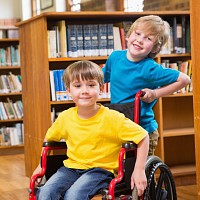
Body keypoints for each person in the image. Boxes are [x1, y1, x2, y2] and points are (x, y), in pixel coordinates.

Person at [32, 60, 149, 200]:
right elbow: (49, 139)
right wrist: (40, 166)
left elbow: (143, 136)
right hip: (71, 168)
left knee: (73, 196)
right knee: (45, 193)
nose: (84, 91)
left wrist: (139, 169)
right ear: (68, 91)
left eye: (91, 85)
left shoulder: (113, 118)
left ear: (101, 88)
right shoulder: (65, 117)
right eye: (77, 86)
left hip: (101, 171)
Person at [102, 15, 191, 156]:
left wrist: (155, 94)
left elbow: (184, 80)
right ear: (129, 34)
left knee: (139, 173)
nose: (139, 40)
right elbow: (100, 79)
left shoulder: (150, 69)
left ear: (155, 48)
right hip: (119, 126)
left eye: (148, 38)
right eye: (137, 34)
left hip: (143, 130)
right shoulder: (115, 57)